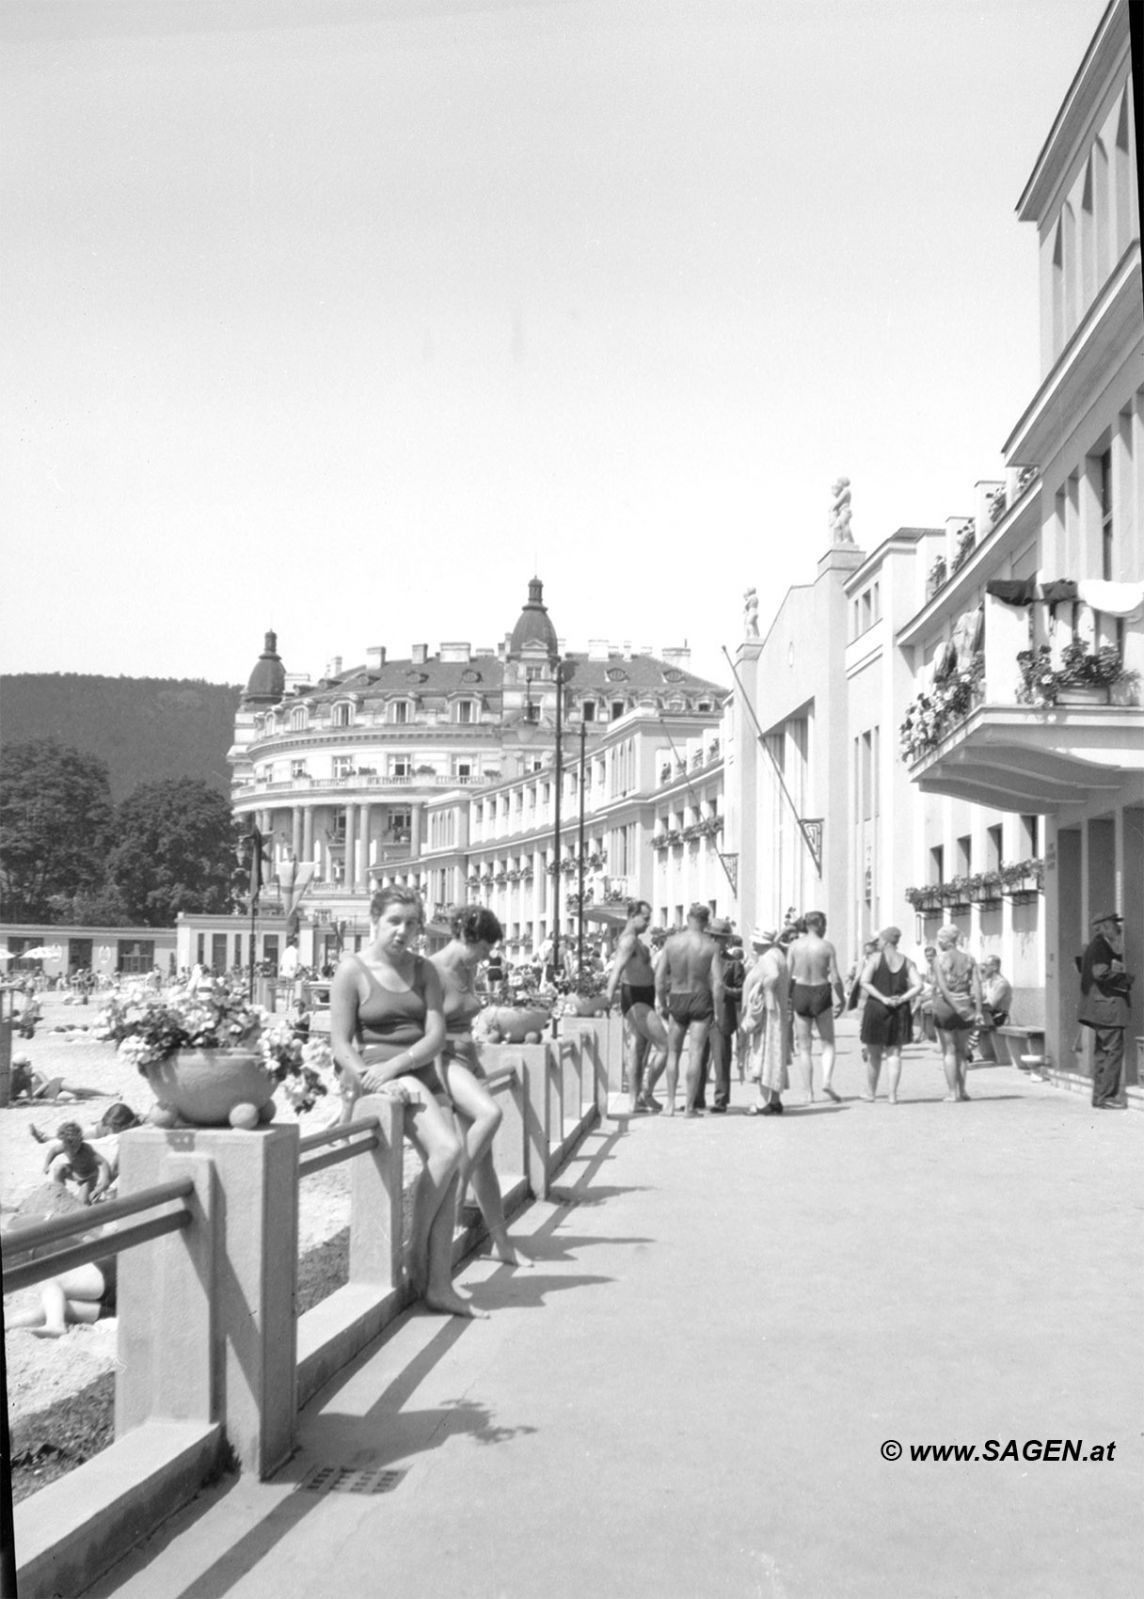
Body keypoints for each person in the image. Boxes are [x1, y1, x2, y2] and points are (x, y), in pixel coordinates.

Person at [331, 886, 477, 1317]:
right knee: (449, 1149)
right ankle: (415, 1251)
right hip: (379, 1071)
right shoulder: (352, 971)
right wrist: (369, 1079)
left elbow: (434, 1036)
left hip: (416, 1069)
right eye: (395, 921)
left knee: (449, 1172)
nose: (404, 931)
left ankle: (440, 1284)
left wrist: (401, 1066)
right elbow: (341, 1044)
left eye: (412, 923)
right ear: (375, 920)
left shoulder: (424, 970)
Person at [432, 906, 529, 1266]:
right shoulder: (434, 969)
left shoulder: (467, 968)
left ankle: (502, 1244)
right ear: (468, 938)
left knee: (485, 1158)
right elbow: (425, 1028)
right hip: (445, 1059)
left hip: (468, 1058)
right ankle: (457, 1186)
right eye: (485, 948)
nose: (488, 956)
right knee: (491, 1113)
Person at [656, 904, 723, 1117]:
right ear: (706, 922)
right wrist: (718, 1011)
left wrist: (662, 1002)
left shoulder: (671, 943)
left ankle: (669, 1104)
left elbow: (658, 978)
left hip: (677, 996)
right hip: (700, 997)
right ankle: (691, 1106)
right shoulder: (711, 946)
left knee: (673, 1052)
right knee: (696, 1053)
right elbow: (719, 983)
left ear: (687, 918)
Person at [604, 900, 668, 1114]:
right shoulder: (629, 941)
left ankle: (635, 1100)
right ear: (633, 916)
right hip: (635, 997)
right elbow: (617, 969)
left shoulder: (636, 941)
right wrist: (607, 996)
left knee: (638, 1049)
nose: (648, 923)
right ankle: (645, 1094)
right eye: (646, 918)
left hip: (642, 995)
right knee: (665, 1046)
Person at [858, 928, 921, 1103]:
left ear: (885, 941)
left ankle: (871, 1092)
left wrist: (883, 998)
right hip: (899, 1009)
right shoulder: (907, 962)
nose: (877, 943)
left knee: (874, 1054)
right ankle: (892, 1094)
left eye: (879, 940)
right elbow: (919, 985)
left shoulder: (875, 959)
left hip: (877, 1008)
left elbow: (864, 981)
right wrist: (902, 998)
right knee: (894, 1054)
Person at [787, 911, 845, 1102]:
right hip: (820, 990)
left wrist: (786, 998)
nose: (826, 927)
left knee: (804, 1047)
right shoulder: (826, 947)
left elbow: (787, 975)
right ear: (819, 924)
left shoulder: (795, 946)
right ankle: (826, 1080)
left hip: (801, 990)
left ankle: (808, 1092)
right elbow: (835, 976)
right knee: (828, 1041)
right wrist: (841, 997)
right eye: (824, 923)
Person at [1078, 911, 1132, 1109]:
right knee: (1113, 1052)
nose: (1118, 929)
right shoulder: (1100, 946)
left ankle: (1100, 1097)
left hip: (1101, 1009)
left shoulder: (1098, 945)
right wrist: (1126, 980)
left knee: (1103, 1053)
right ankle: (1108, 1096)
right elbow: (1100, 972)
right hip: (1107, 1009)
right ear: (1105, 927)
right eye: (1114, 925)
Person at [930, 925, 984, 1102]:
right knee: (962, 1050)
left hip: (945, 1006)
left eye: (939, 939)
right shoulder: (969, 959)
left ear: (945, 940)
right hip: (965, 1004)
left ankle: (952, 1093)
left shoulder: (939, 960)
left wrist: (954, 1005)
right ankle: (963, 1091)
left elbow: (942, 987)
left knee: (949, 1051)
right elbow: (977, 986)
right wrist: (977, 1011)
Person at [742, 928, 791, 1115]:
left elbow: (773, 976)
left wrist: (765, 989)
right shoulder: (777, 954)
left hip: (770, 1013)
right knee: (775, 1053)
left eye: (755, 941)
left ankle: (762, 1102)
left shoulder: (768, 957)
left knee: (765, 1053)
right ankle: (776, 1099)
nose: (752, 945)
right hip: (777, 1011)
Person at [695, 919, 741, 1113]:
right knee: (697, 1058)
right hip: (701, 1013)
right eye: (714, 937)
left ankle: (721, 1100)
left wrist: (726, 990)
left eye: (721, 939)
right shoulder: (699, 959)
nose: (716, 941)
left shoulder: (733, 963)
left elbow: (741, 990)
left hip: (722, 1015)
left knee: (721, 1059)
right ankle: (696, 1098)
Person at [41, 1121, 113, 1204]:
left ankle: (96, 1201)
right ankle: (59, 1193)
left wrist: (105, 1179)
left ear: (80, 1139)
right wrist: (46, 1164)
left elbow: (102, 1162)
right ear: (63, 1142)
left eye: (75, 1145)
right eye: (69, 1146)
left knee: (82, 1202)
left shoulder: (86, 1149)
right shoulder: (64, 1146)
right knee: (58, 1169)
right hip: (75, 1172)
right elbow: (53, 1151)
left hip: (89, 1176)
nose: (72, 1149)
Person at [7, 1053, 107, 1107]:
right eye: (28, 1065)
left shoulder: (37, 1073)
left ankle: (108, 1094)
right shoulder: (22, 1081)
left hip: (55, 1084)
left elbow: (46, 1083)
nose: (31, 1067)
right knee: (78, 1097)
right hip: (48, 1096)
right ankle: (102, 1098)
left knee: (77, 1088)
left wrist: (35, 1094)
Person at [972, 956, 1013, 1060]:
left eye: (986, 965)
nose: (983, 968)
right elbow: (981, 998)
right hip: (989, 1015)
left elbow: (990, 1005)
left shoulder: (1001, 984)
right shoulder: (989, 982)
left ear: (994, 967)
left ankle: (964, 1052)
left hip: (999, 1016)